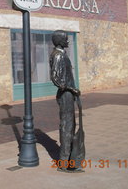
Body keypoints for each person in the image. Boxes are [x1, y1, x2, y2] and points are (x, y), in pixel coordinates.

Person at [49, 30, 83, 173]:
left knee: (70, 126)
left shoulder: (61, 54)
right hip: (66, 95)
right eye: (65, 39)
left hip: (69, 94)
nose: (68, 41)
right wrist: (72, 89)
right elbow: (56, 79)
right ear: (58, 41)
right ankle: (63, 163)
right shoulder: (57, 56)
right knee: (66, 127)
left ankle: (69, 158)